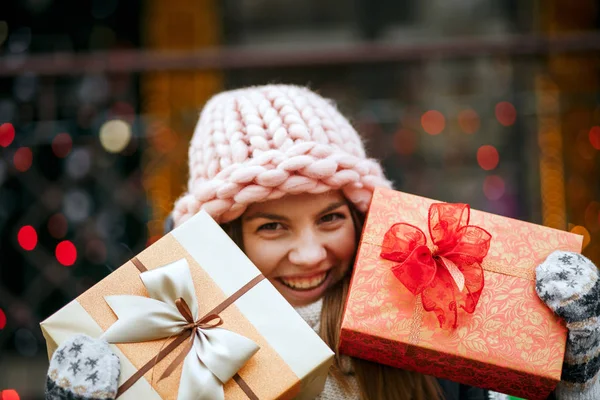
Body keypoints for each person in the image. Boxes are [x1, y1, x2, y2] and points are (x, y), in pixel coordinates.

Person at [46, 85, 600, 400]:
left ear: (363, 216)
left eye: (331, 218)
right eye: (272, 226)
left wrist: (576, 360)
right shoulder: (175, 354)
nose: (310, 254)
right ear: (223, 236)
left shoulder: (432, 321)